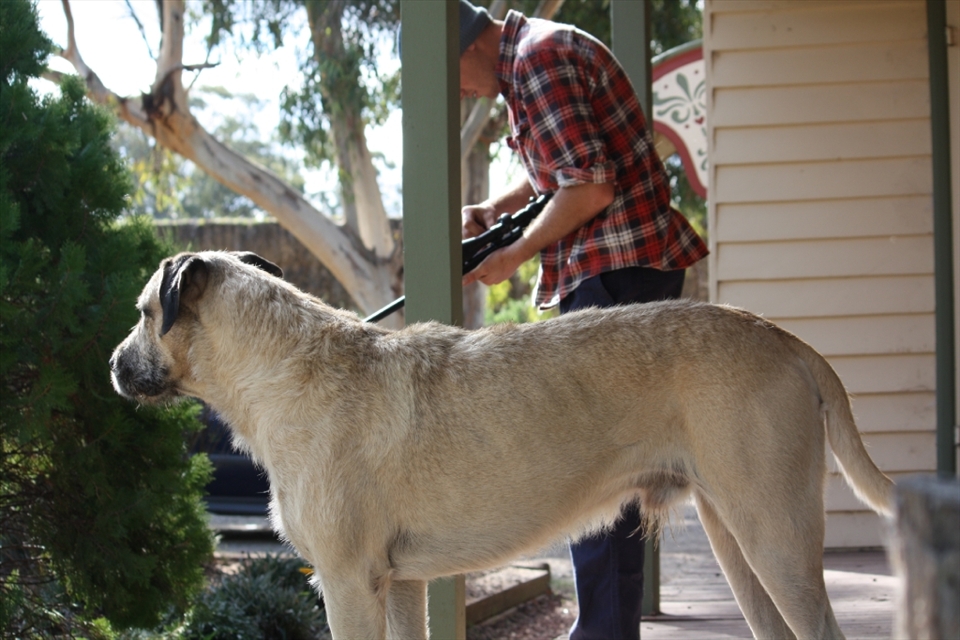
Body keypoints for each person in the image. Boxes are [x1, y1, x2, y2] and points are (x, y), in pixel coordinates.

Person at [456, 2, 708, 639]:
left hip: (614, 269)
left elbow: (589, 187)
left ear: (467, 48)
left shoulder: (537, 61)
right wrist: (496, 208)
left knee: (592, 464)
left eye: (454, 79)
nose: (461, 92)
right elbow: (562, 167)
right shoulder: (532, 58)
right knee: (617, 465)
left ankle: (601, 631)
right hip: (624, 266)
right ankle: (608, 628)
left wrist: (514, 254)